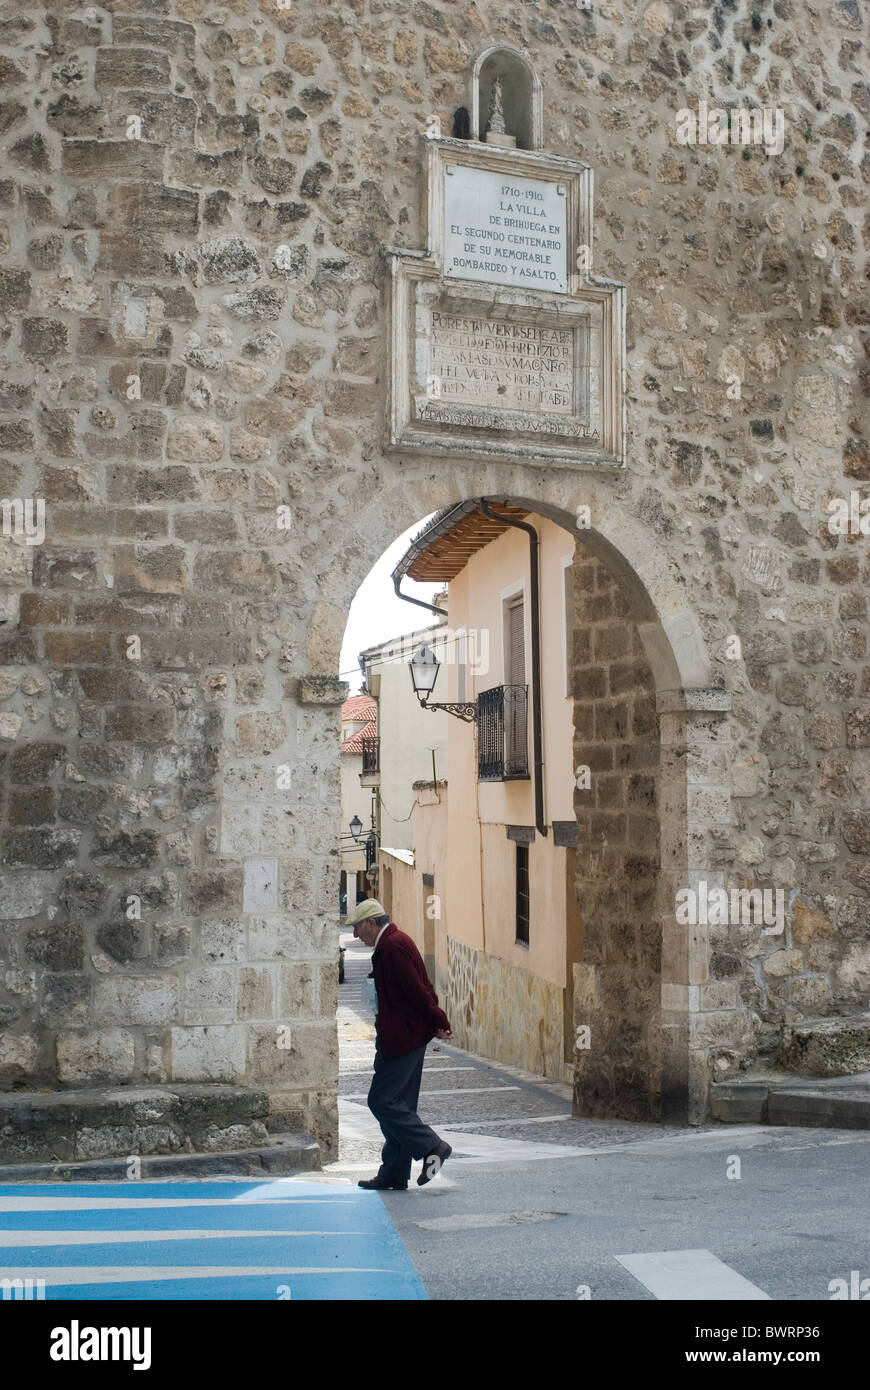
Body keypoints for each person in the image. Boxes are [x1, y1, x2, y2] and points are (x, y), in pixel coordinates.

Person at [345, 898, 453, 1191]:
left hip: (403, 1040)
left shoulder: (391, 947)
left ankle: (433, 1146)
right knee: (400, 1105)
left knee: (381, 1101)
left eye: (357, 928)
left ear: (371, 923)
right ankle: (394, 1171)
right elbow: (423, 986)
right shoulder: (394, 942)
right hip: (405, 1037)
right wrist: (434, 1022)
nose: (355, 935)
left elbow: (417, 990)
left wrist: (439, 1020)